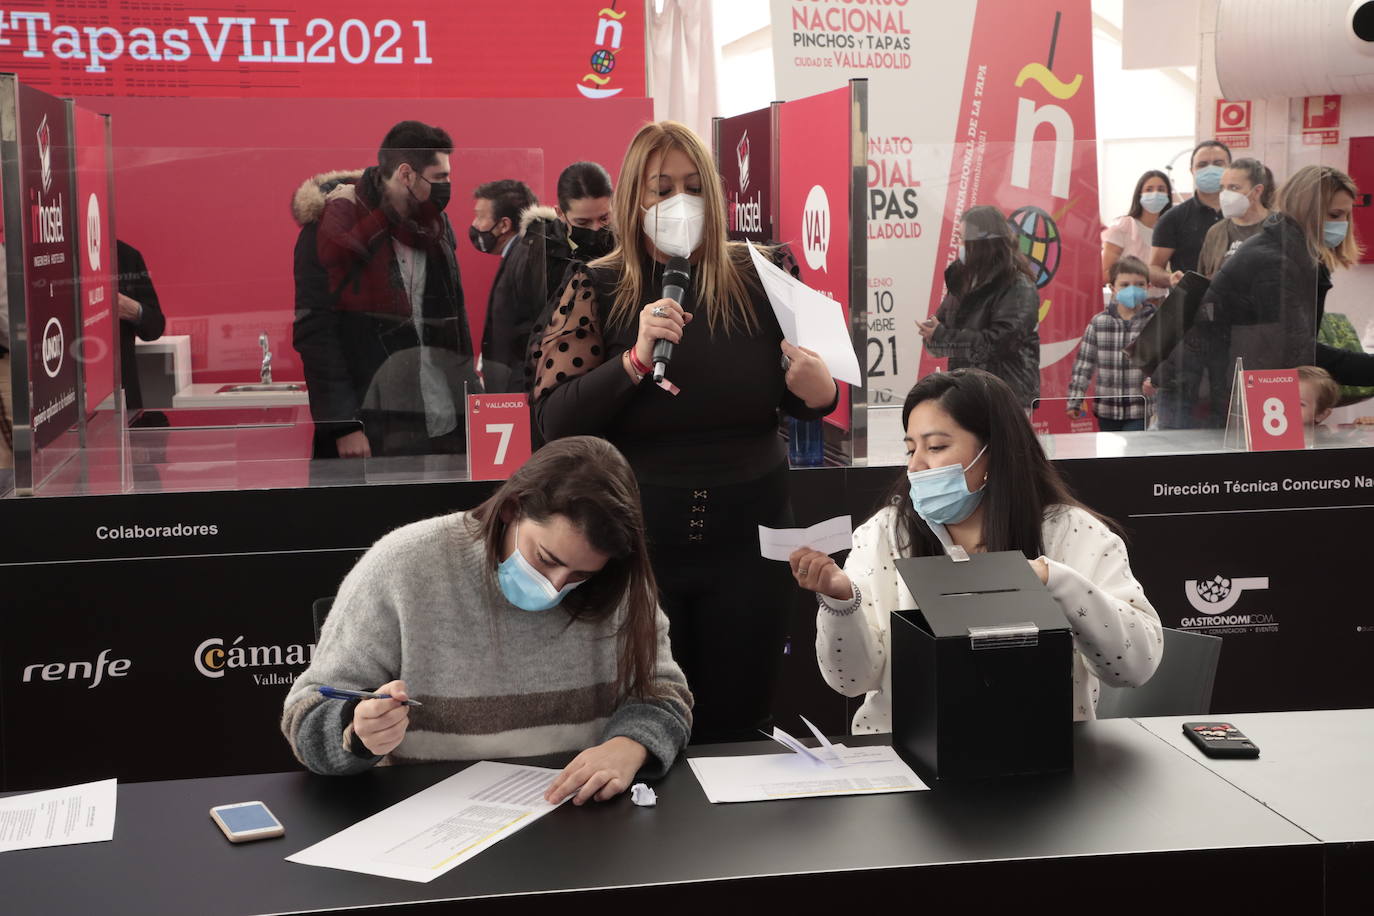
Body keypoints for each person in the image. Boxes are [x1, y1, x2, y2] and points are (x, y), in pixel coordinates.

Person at [528, 120, 839, 743]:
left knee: (741, 727)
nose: (678, 201)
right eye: (660, 186)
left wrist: (821, 390)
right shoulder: (598, 283)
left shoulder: (766, 273)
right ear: (632, 197)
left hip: (751, 550)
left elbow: (810, 396)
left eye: (694, 185)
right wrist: (633, 363)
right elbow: (553, 422)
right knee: (645, 728)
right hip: (636, 548)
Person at [281, 435, 692, 804]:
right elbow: (306, 718)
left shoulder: (620, 583)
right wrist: (357, 733)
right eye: (546, 559)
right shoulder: (405, 565)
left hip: (577, 820)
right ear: (513, 509)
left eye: (581, 576)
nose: (555, 585)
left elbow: (663, 694)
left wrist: (628, 744)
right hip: (430, 824)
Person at [790, 369, 1162, 733]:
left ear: (993, 452)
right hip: (905, 759)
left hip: (1041, 760)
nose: (916, 465)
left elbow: (1135, 665)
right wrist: (841, 601)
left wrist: (1052, 580)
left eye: (936, 447)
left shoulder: (1072, 533)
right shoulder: (885, 534)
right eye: (910, 448)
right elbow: (851, 681)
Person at [293, 120, 479, 460]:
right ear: (406, 174)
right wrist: (344, 424)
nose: (448, 186)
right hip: (373, 425)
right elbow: (316, 333)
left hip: (444, 421)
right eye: (440, 178)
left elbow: (455, 321)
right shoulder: (332, 228)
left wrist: (475, 405)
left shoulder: (435, 226)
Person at [1203, 164, 1374, 407]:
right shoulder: (1275, 263)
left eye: (1347, 215)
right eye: (1335, 215)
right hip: (1219, 395)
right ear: (1306, 211)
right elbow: (1295, 351)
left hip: (1235, 385)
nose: (1343, 224)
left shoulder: (1291, 254)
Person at [482, 162, 615, 394]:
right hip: (546, 390)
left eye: (604, 218)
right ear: (559, 213)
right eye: (583, 222)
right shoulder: (531, 254)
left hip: (610, 384)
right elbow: (504, 335)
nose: (595, 229)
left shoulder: (625, 250)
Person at [918, 205, 1040, 408]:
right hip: (966, 393)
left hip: (1007, 398)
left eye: (962, 238)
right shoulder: (960, 281)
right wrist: (933, 335)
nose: (959, 244)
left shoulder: (1018, 287)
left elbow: (999, 343)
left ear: (984, 243)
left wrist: (943, 335)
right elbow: (940, 334)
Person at [1147, 140, 1231, 428]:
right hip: (1187, 324)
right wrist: (1171, 278)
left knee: (1226, 404)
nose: (1211, 170)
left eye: (1218, 164)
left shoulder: (1242, 216)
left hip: (1233, 325)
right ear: (1191, 171)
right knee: (1177, 404)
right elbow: (1153, 267)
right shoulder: (1174, 218)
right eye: (1203, 164)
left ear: (1230, 168)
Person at [1066, 256, 1155, 431]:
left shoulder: (1155, 323)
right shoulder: (1099, 323)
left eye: (1139, 284)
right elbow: (1084, 365)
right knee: (1111, 456)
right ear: (1112, 288)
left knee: (1133, 455)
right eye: (1125, 284)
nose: (1132, 289)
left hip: (1140, 407)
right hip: (1107, 408)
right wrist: (1075, 401)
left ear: (1148, 287)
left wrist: (1156, 382)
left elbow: (1163, 362)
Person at [1101, 169, 1172, 299]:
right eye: (1149, 189)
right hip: (1125, 309)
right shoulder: (1123, 227)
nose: (1155, 193)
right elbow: (1105, 273)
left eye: (1161, 189)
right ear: (1139, 194)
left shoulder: (1171, 230)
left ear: (1168, 195)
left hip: (1161, 306)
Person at [1197, 158, 1274, 278]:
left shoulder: (1280, 228)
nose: (1225, 195)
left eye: (1234, 188)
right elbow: (1203, 280)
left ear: (1257, 191)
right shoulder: (1216, 233)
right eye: (1223, 188)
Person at [116, 240, 167, 412]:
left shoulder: (125, 256)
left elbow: (155, 327)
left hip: (122, 393)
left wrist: (133, 309)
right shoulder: (54, 257)